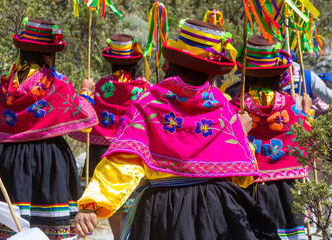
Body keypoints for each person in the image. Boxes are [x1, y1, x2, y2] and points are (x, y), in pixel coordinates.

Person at [74, 19, 280, 240]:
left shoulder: (149, 103)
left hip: (163, 209)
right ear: (211, 72)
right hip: (215, 209)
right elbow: (242, 177)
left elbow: (126, 160)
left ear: (172, 63)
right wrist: (243, 133)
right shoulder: (223, 107)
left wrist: (92, 205)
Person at [0, 18, 98, 240]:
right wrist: (86, 93)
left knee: (12, 228)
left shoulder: (6, 85)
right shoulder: (56, 82)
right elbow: (84, 117)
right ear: (47, 55)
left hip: (9, 161)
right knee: (48, 229)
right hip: (48, 162)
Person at [230, 35, 312, 240]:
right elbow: (307, 141)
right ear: (277, 75)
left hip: (250, 187)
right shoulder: (289, 105)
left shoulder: (235, 107)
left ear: (246, 75)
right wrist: (307, 112)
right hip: (287, 190)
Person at [69, 33, 148, 240]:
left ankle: (117, 237)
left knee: (113, 204)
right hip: (130, 151)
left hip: (102, 151)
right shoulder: (143, 88)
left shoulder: (100, 87)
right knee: (129, 199)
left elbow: (82, 115)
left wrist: (85, 92)